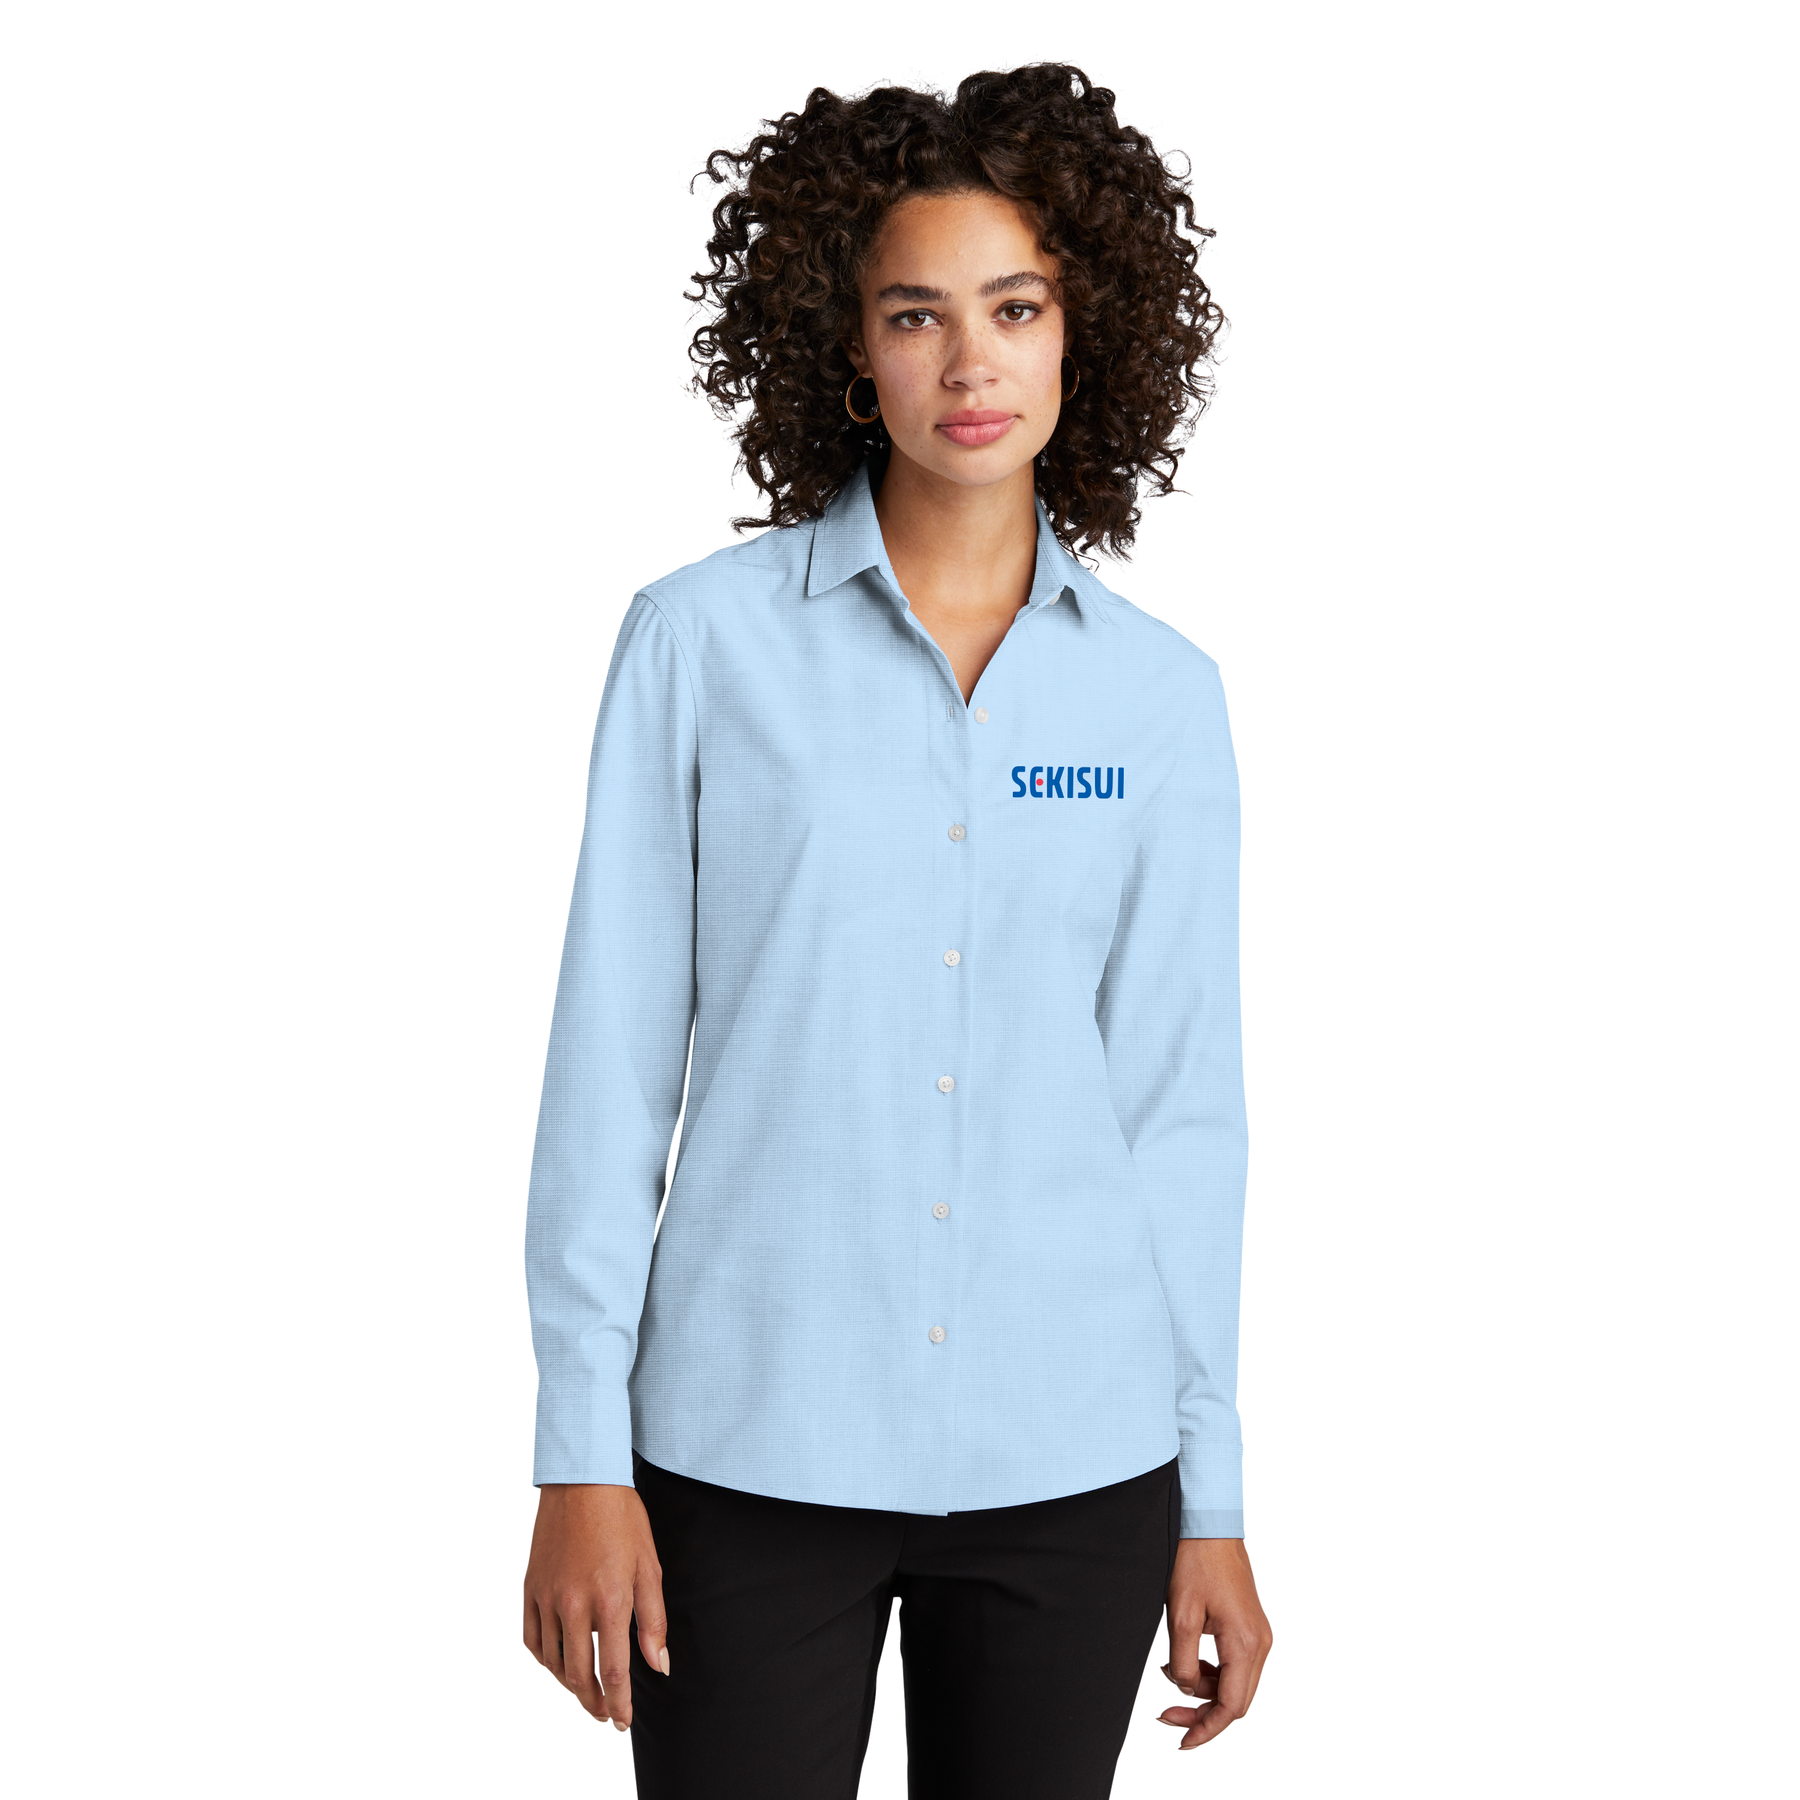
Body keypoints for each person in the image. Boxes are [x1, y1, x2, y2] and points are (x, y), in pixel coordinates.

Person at [520, 63, 1272, 1800]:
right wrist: (578, 1451)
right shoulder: (700, 646)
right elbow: (610, 1069)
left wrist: (1212, 1498)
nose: (970, 363)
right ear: (849, 348)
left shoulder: (1162, 701)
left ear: (1084, 335)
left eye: (1016, 308)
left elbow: (1180, 1118)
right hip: (745, 1453)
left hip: (1076, 1465)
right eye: (915, 314)